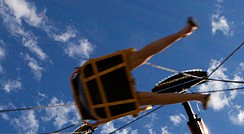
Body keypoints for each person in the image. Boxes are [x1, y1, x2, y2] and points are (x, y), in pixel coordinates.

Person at [76, 18, 209, 115]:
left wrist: (132, 110)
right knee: (142, 55)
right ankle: (183, 31)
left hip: (100, 104)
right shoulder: (84, 80)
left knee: (151, 98)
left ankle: (199, 97)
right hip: (93, 81)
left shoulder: (95, 108)